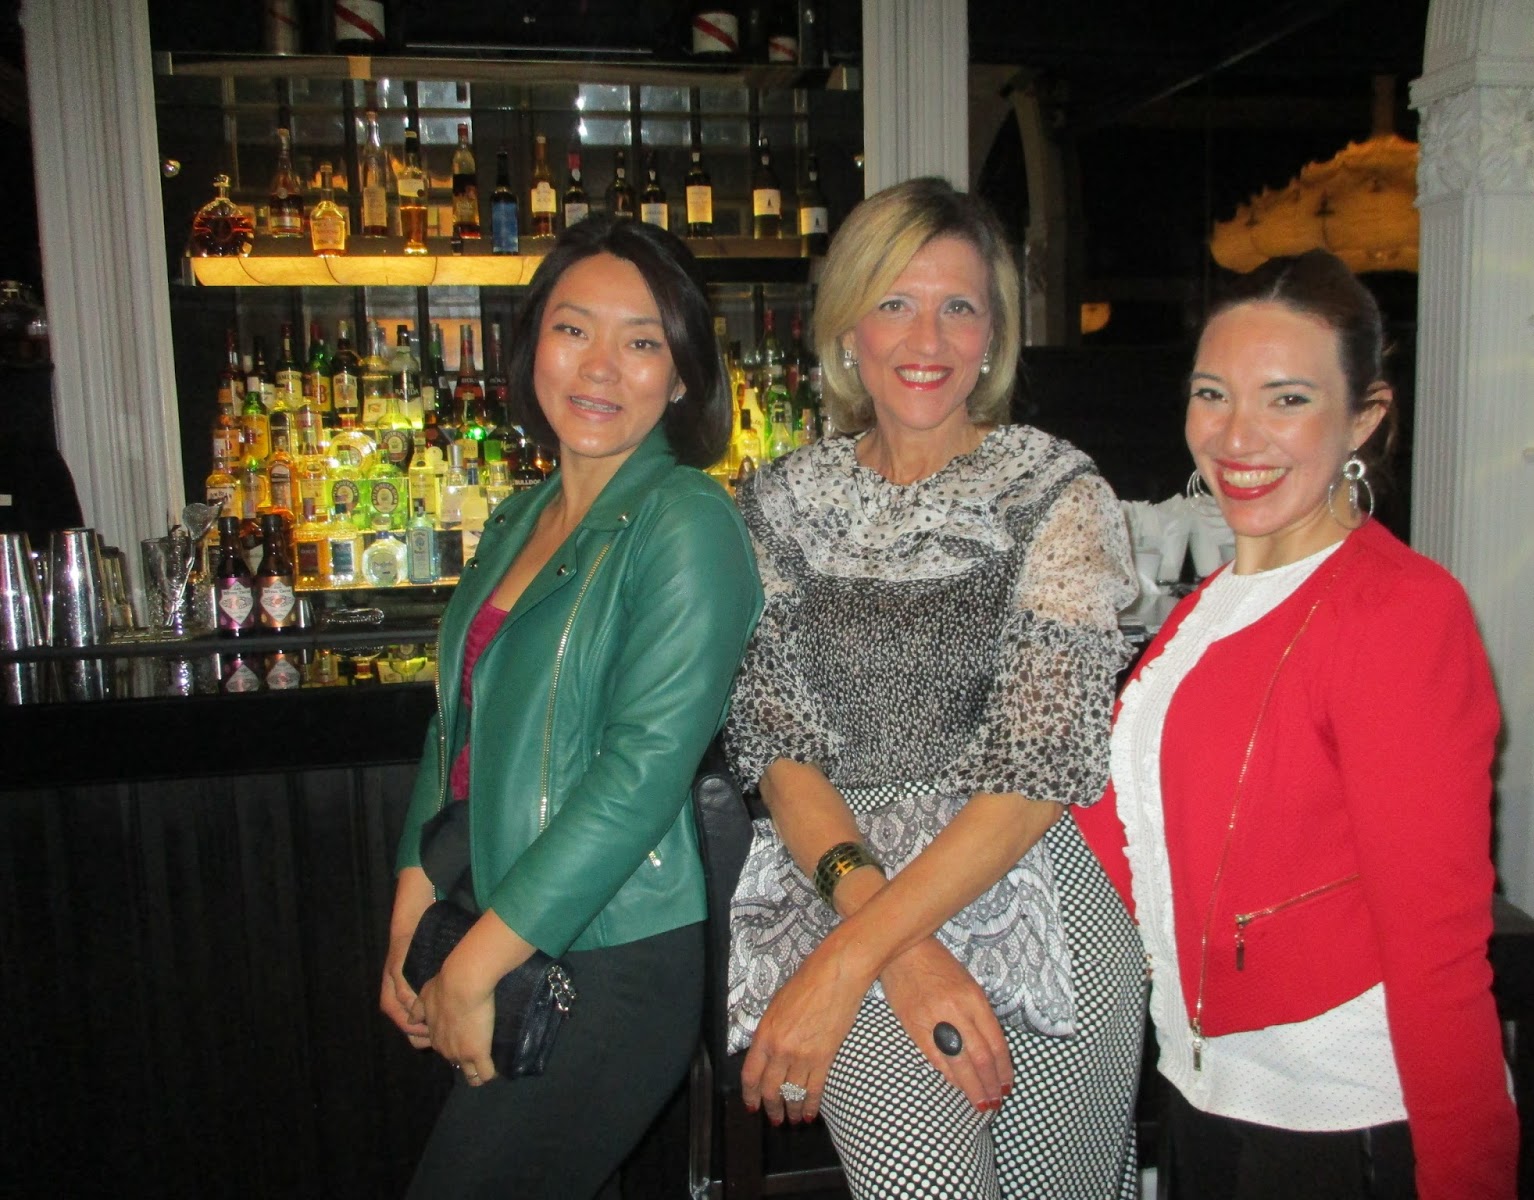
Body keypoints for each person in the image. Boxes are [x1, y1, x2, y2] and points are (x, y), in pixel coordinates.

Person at [723, 176, 1147, 1198]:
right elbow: (776, 747)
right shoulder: (774, 502)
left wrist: (854, 955)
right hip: (839, 877)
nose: (928, 338)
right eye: (895, 302)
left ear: (994, 336)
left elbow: (1039, 764)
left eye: (959, 306)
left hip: (1038, 897)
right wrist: (882, 952)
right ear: (848, 329)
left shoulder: (1057, 488)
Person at [1096, 249, 1517, 1198]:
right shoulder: (1214, 600)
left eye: (1286, 399)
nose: (1236, 435)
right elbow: (1134, 832)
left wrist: (1469, 1177)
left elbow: (1440, 948)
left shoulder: (1400, 613)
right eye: (1212, 394)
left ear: (1364, 417)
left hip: (1335, 1115)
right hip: (1203, 1084)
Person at [378, 215, 763, 1198]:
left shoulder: (687, 520)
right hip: (497, 921)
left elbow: (641, 777)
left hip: (610, 954)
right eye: (573, 328)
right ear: (532, 346)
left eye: (642, 342)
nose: (599, 367)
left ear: (683, 376)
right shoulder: (522, 516)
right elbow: (453, 725)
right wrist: (410, 915)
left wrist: (472, 967)